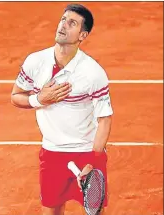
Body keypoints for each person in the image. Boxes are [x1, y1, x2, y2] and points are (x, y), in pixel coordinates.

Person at [11, 3, 113, 215]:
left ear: (82, 35)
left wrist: (94, 161)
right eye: (63, 19)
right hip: (52, 153)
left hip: (86, 152)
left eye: (72, 23)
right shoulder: (35, 61)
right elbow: (16, 97)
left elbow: (104, 119)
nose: (63, 25)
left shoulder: (93, 73)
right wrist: (39, 99)